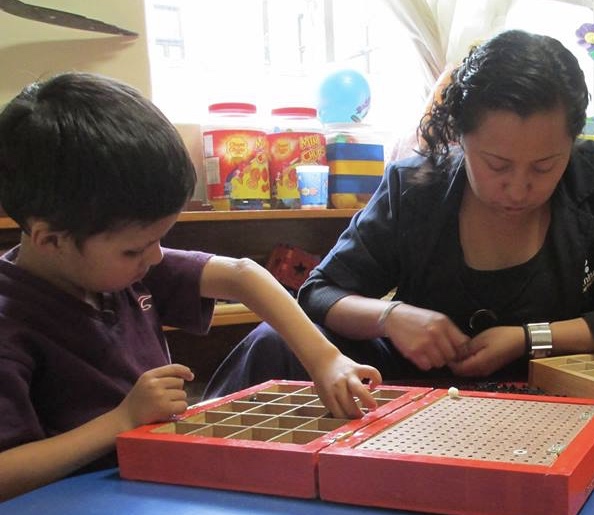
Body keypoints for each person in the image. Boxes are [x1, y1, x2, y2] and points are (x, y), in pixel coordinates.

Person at [204, 29, 594, 397]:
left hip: (557, 388)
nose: (518, 188)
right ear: (459, 137)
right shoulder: (416, 185)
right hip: (418, 390)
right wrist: (391, 317)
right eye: (496, 164)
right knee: (274, 341)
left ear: (572, 143)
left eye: (545, 165)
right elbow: (320, 294)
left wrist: (528, 339)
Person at [0, 72, 382, 499]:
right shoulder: (12, 321)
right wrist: (121, 422)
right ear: (51, 240)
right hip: (81, 497)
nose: (157, 257)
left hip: (156, 473)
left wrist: (325, 359)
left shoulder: (111, 266)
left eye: (159, 240)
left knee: (273, 342)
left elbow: (242, 275)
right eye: (136, 249)